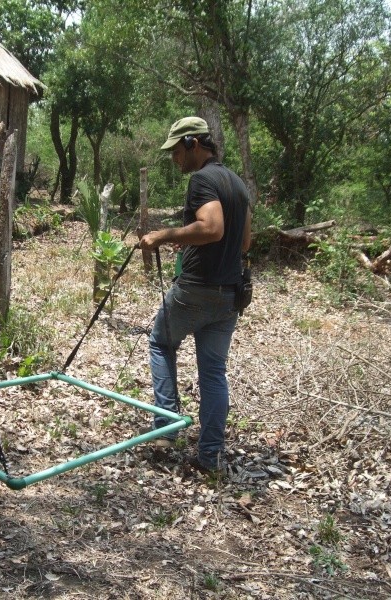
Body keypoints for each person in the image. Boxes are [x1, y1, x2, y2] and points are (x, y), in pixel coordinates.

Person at [139, 116, 251, 475]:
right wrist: (191, 246)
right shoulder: (237, 184)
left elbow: (212, 227)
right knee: (214, 373)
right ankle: (209, 457)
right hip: (229, 295)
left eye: (176, 150)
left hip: (196, 290)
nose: (174, 159)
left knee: (160, 343)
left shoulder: (202, 179)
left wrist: (163, 236)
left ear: (192, 144)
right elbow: (244, 242)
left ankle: (166, 428)